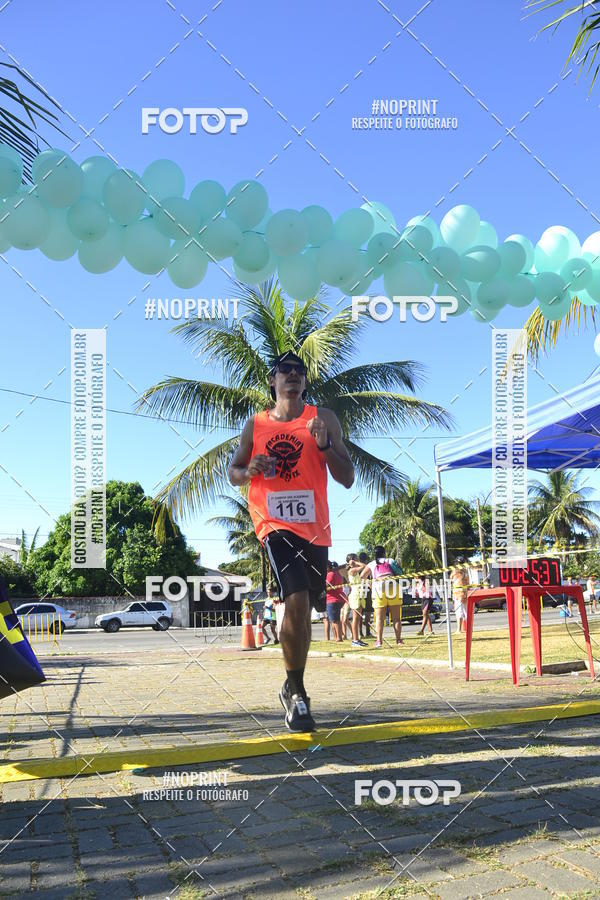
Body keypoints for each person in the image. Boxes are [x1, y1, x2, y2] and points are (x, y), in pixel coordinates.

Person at [228, 350, 354, 732]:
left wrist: (325, 445)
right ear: (272, 380)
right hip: (272, 523)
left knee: (305, 611)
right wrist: (249, 468)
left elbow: (347, 476)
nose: (294, 376)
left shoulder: (323, 418)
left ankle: (290, 683)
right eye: (286, 370)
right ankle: (298, 693)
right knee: (295, 597)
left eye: (300, 371)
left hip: (314, 528)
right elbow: (234, 472)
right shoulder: (257, 424)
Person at [362, 545, 403, 648]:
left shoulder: (371, 564)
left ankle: (379, 641)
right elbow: (400, 572)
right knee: (396, 618)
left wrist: (370, 584)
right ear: (384, 553)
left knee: (379, 619)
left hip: (378, 591)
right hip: (393, 590)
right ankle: (398, 640)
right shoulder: (390, 560)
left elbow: (362, 576)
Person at [346, 553, 367, 647]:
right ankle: (355, 640)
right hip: (355, 595)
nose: (358, 560)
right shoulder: (352, 570)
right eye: (356, 559)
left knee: (358, 618)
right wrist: (355, 562)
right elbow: (364, 566)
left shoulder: (355, 570)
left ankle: (357, 638)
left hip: (359, 594)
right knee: (355, 618)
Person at [325, 561, 346, 642]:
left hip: (333, 599)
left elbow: (327, 586)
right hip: (337, 598)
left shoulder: (330, 574)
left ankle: (339, 638)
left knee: (335, 620)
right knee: (334, 619)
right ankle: (337, 637)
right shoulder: (337, 574)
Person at [451, 557, 469, 634]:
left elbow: (451, 578)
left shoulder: (456, 571)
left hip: (458, 593)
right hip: (465, 592)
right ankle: (468, 628)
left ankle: (459, 629)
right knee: (466, 612)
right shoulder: (465, 571)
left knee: (459, 612)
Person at [358, 551, 372, 637]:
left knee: (360, 613)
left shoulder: (356, 568)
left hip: (359, 591)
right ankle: (368, 632)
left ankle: (360, 633)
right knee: (367, 613)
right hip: (367, 591)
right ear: (366, 559)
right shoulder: (368, 567)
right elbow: (370, 579)